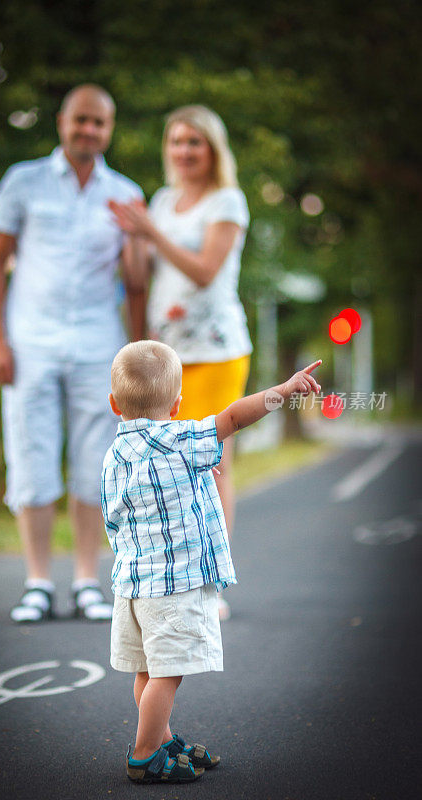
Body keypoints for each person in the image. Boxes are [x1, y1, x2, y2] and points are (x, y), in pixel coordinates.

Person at [101, 340, 321, 783]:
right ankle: (145, 754)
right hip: (174, 587)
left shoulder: (113, 457)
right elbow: (236, 415)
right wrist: (285, 389)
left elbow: (112, 517)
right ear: (178, 404)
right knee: (170, 673)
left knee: (148, 670)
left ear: (113, 404)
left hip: (132, 586)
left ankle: (161, 738)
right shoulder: (182, 439)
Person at [0, 84, 145, 622]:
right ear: (61, 121)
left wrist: (138, 239)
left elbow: (136, 283)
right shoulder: (23, 182)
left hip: (99, 344)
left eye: (99, 123)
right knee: (32, 452)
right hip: (30, 343)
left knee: (97, 462)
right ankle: (37, 582)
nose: (89, 131)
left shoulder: (124, 193)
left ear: (109, 129)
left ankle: (85, 582)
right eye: (81, 121)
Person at [109, 105, 252, 620]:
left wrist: (151, 232)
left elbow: (205, 271)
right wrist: (131, 238)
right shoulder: (164, 201)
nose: (184, 150)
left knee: (211, 463)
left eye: (195, 141)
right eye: (176, 141)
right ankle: (173, 575)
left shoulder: (226, 201)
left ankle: (212, 584)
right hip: (165, 356)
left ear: (212, 149)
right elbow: (140, 276)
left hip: (215, 350)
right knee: (163, 466)